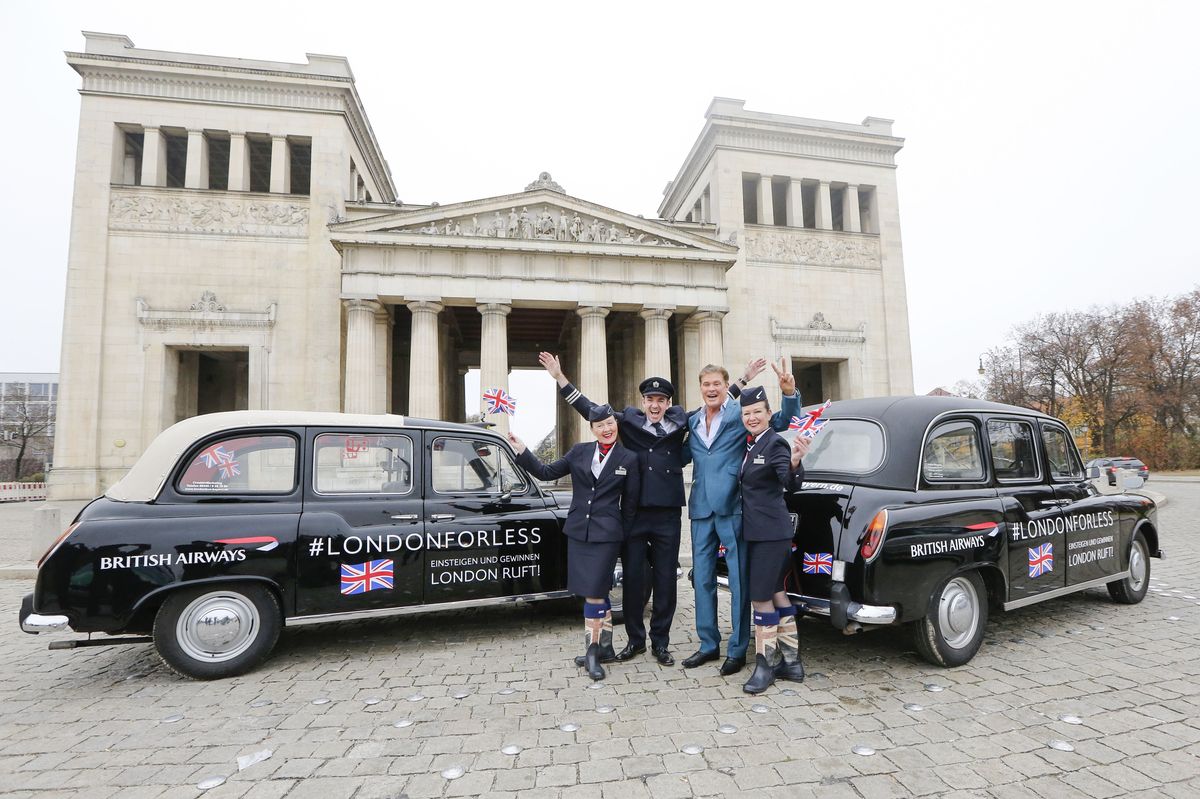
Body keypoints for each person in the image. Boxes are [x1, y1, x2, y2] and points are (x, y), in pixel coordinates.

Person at [539, 352, 691, 666]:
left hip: (667, 515)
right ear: (643, 400)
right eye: (650, 398)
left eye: (661, 399)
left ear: (667, 403)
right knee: (634, 580)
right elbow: (591, 410)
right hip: (635, 516)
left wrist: (741, 381)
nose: (654, 405)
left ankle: (660, 643)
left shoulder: (681, 423)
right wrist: (560, 378)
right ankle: (635, 641)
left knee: (665, 580)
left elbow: (716, 409)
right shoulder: (629, 421)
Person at [683, 359, 801, 677]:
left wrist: (789, 392)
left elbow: (784, 419)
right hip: (699, 509)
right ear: (701, 388)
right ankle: (708, 645)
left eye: (716, 384)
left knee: (739, 583)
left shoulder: (740, 413)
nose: (711, 389)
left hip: (732, 507)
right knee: (702, 581)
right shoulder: (692, 420)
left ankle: (737, 650)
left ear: (726, 388)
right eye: (706, 384)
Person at [507, 405, 640, 680]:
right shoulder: (579, 451)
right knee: (595, 592)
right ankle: (605, 648)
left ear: (616, 424)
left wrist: (621, 535)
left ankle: (591, 652)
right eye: (600, 425)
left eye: (610, 423)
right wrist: (522, 450)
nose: (607, 429)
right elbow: (545, 472)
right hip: (579, 532)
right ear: (592, 428)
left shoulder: (629, 458)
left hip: (607, 535)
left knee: (594, 592)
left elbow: (630, 505)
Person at [736, 385, 810, 693]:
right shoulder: (752, 445)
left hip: (770, 534)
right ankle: (792, 664)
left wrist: (795, 462)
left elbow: (788, 482)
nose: (752, 418)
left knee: (760, 597)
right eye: (747, 413)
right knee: (778, 592)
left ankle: (764, 667)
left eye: (757, 412)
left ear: (769, 414)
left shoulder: (775, 443)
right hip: (762, 532)